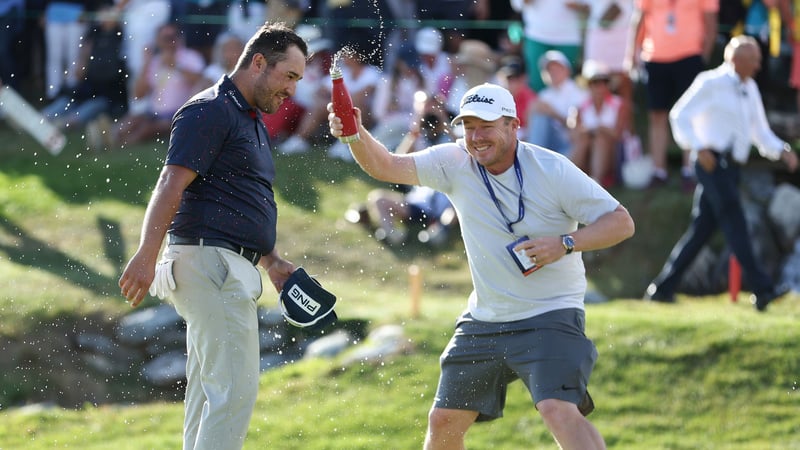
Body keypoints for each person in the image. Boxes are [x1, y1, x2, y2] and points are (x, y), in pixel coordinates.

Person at [328, 82, 635, 449]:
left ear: (513, 125)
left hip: (551, 314)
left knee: (557, 409)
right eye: (469, 126)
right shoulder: (455, 162)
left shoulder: (552, 169)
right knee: (443, 421)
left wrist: (565, 244)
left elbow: (621, 222)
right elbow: (385, 166)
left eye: (486, 125)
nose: (476, 136)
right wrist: (354, 134)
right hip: (485, 319)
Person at [118, 22, 307, 449]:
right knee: (234, 392)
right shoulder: (210, 109)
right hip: (212, 265)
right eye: (289, 76)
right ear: (258, 62)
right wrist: (146, 254)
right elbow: (170, 183)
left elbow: (237, 202)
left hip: (221, 264)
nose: (292, 91)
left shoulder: (249, 119)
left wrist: (272, 260)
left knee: (209, 393)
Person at [644, 35, 798, 311]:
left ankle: (662, 288)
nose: (759, 65)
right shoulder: (710, 82)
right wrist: (698, 147)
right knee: (735, 222)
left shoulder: (749, 87)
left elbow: (759, 132)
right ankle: (763, 289)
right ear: (737, 59)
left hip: (731, 168)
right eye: (754, 59)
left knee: (701, 231)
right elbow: (679, 115)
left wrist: (782, 151)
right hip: (711, 164)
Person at [625, 0, 719, 189]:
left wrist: (704, 56)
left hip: (690, 57)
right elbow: (640, 18)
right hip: (655, 57)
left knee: (691, 115)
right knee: (656, 114)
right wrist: (631, 55)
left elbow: (711, 22)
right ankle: (659, 171)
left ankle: (689, 170)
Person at [111, 22, 205, 147]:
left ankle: (121, 145)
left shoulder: (191, 57)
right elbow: (138, 95)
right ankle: (112, 138)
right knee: (129, 123)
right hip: (154, 112)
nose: (170, 42)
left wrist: (176, 66)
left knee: (147, 129)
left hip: (179, 114)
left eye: (173, 37)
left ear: (179, 38)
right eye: (165, 38)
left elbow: (202, 82)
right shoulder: (155, 62)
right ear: (158, 41)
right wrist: (146, 64)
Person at [41, 6, 127, 136]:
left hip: (106, 94)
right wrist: (83, 61)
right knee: (64, 103)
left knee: (83, 113)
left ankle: (61, 125)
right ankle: (43, 119)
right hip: (86, 89)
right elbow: (80, 71)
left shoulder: (120, 38)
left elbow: (115, 73)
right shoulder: (93, 35)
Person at [569, 60, 629, 187]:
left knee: (601, 140)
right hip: (588, 152)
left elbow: (619, 135)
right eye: (596, 82)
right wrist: (590, 132)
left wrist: (601, 129)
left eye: (604, 82)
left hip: (614, 155)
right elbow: (574, 134)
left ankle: (594, 182)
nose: (600, 86)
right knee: (584, 140)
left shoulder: (619, 105)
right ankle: (567, 180)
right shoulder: (580, 106)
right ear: (589, 85)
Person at [527, 50, 588, 156]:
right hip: (552, 141)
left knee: (540, 117)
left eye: (556, 68)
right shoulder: (544, 94)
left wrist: (551, 113)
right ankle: (533, 156)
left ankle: (533, 157)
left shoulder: (578, 92)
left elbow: (575, 126)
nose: (552, 72)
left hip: (569, 141)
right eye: (549, 70)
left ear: (567, 70)